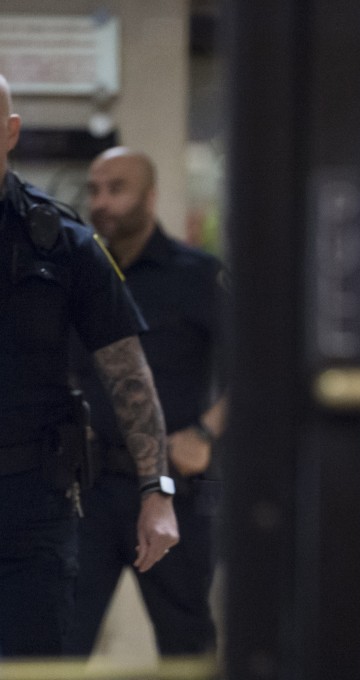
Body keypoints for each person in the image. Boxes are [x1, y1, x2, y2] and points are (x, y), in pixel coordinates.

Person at [0, 76, 178, 658]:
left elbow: (127, 370)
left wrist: (157, 490)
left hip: (32, 507)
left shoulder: (61, 243)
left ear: (10, 131)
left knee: (35, 664)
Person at [64, 147, 227, 657]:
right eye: (94, 190)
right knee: (62, 643)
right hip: (87, 489)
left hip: (173, 490)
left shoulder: (197, 275)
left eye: (117, 189)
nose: (103, 202)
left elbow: (260, 364)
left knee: (187, 646)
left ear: (150, 197)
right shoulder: (78, 274)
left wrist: (205, 434)